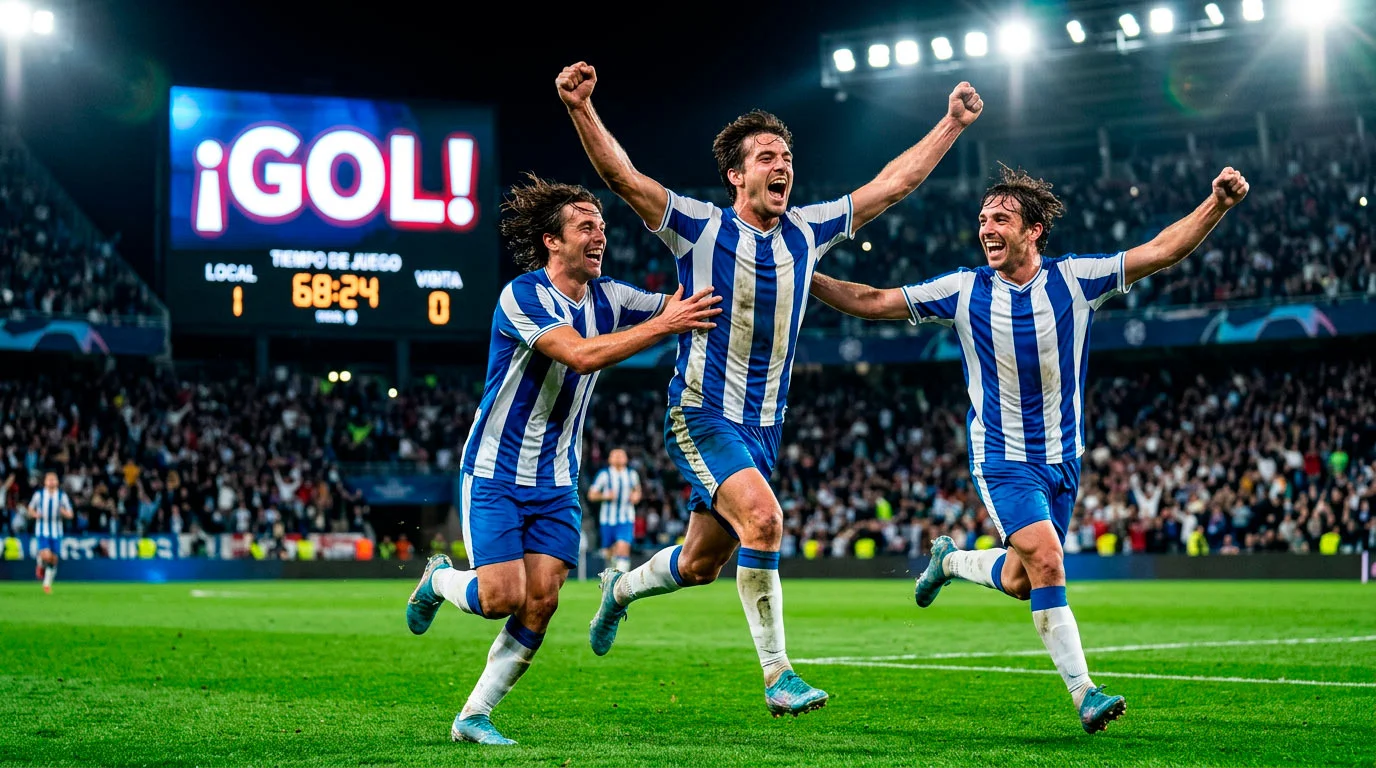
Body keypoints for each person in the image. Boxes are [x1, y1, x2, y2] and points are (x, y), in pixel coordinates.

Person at [556, 60, 982, 717]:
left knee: (700, 566)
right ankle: (779, 676)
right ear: (737, 175)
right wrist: (581, 107)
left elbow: (892, 186)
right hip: (702, 413)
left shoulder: (808, 232)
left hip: (764, 428)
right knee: (766, 518)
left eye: (786, 155)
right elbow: (622, 179)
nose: (782, 164)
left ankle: (618, 590)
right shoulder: (698, 227)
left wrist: (951, 123)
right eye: (766, 156)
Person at [808, 163, 1250, 733]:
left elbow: (1162, 249)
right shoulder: (963, 290)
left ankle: (950, 561)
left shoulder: (1076, 280)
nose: (987, 228)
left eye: (1002, 218)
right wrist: (803, 275)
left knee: (1022, 580)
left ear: (1035, 229)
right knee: (1047, 561)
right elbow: (871, 301)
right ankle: (1084, 692)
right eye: (982, 219)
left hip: (1064, 459)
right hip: (1003, 458)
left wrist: (1216, 204)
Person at [404, 173, 721, 746]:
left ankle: (473, 715)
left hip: (555, 478)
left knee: (543, 601)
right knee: (500, 597)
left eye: (601, 225)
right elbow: (577, 355)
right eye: (585, 226)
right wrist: (664, 323)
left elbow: (683, 308)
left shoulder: (613, 297)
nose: (599, 235)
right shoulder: (522, 295)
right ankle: (439, 579)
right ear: (553, 241)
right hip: (497, 471)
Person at [588, 448, 641, 573]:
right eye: (615, 456)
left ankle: (620, 579)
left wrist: (636, 496)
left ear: (626, 459)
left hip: (626, 518)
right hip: (607, 519)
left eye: (621, 455)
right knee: (608, 552)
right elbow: (591, 495)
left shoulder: (632, 474)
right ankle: (612, 572)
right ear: (610, 459)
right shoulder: (604, 475)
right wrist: (605, 496)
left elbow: (637, 491)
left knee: (623, 547)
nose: (618, 458)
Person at [29, 471, 73, 594]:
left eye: (54, 479)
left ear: (57, 482)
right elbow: (30, 508)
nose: (52, 482)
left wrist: (64, 512)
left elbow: (70, 514)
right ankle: (40, 563)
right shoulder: (39, 495)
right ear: (45, 482)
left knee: (53, 559)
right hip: (42, 530)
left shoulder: (62, 496)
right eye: (49, 479)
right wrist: (35, 514)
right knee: (46, 555)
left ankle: (47, 584)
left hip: (57, 531)